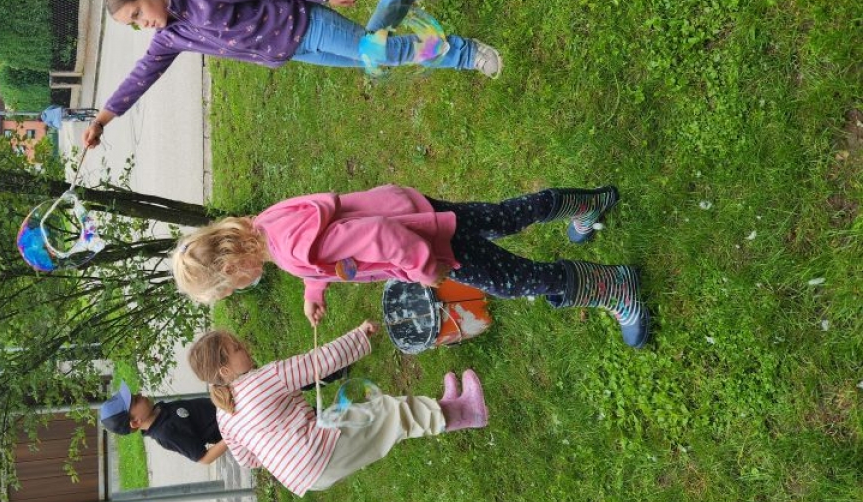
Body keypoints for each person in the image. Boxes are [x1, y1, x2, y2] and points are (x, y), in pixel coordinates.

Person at [172, 184, 650, 349]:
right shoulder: (268, 227)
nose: (239, 290)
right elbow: (323, 257)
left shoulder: (291, 250)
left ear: (232, 266)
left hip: (423, 238)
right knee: (501, 217)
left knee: (510, 280)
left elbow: (376, 237)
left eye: (230, 289)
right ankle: (586, 204)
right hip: (411, 208)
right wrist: (312, 293)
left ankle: (615, 287)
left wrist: (425, 268)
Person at [81, 0, 502, 148]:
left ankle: (465, 53)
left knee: (385, 53)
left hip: (310, 23)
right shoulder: (173, 35)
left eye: (137, 15)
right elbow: (143, 75)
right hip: (298, 51)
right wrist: (103, 119)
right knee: (372, 57)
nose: (143, 26)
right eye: (134, 24)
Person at [186, 322, 489, 496]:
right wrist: (359, 335)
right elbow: (318, 362)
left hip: (307, 478)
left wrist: (284, 451)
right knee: (389, 413)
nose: (245, 348)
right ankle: (467, 413)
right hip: (318, 451)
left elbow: (248, 460)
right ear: (224, 371)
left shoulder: (224, 417)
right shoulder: (264, 379)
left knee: (378, 416)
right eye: (237, 349)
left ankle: (448, 408)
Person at [99, 382, 227, 465]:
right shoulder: (165, 433)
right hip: (231, 424)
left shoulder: (158, 410)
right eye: (136, 400)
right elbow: (204, 458)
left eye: (135, 395)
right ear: (136, 422)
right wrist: (230, 437)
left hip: (226, 406)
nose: (139, 394)